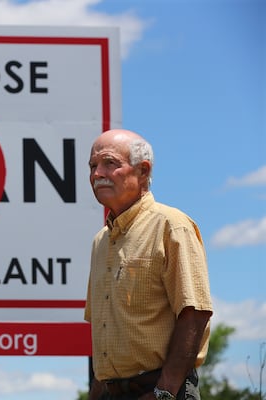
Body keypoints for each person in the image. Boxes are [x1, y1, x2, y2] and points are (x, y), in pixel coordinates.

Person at [84, 129, 213, 400]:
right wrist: (96, 391)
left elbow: (195, 313)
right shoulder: (100, 242)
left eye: (110, 163)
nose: (97, 174)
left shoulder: (172, 225)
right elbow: (101, 327)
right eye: (93, 166)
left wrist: (164, 391)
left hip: (162, 389)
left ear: (143, 171)